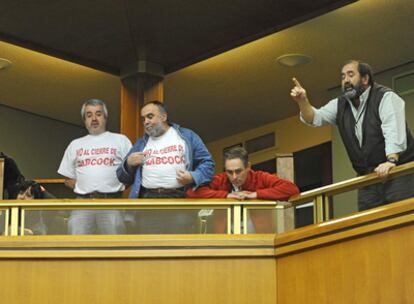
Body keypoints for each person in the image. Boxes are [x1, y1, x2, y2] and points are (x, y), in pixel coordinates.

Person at [290, 60, 414, 211]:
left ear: (365, 79)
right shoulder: (340, 105)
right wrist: (303, 101)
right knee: (369, 228)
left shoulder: (385, 97)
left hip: (399, 171)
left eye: (350, 75)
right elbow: (314, 118)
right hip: (368, 178)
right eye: (343, 77)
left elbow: (393, 129)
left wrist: (391, 161)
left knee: (404, 220)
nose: (346, 81)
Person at [117, 100, 214, 234]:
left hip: (178, 199)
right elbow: (121, 177)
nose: (145, 121)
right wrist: (128, 163)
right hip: (147, 201)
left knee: (177, 248)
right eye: (143, 118)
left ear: (164, 117)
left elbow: (208, 164)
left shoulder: (186, 136)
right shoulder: (141, 143)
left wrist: (192, 176)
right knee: (149, 249)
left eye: (150, 116)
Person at [58, 99, 132, 234]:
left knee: (114, 245)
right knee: (76, 242)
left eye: (98, 114)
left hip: (112, 202)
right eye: (89, 115)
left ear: (105, 117)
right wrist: (87, 188)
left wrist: (115, 187)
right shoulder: (75, 144)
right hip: (83, 203)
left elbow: (131, 173)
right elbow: (67, 179)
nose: (94, 119)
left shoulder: (121, 140)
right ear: (84, 120)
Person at [186, 147, 300, 233]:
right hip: (225, 241)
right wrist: (226, 196)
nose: (234, 177)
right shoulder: (221, 180)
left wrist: (256, 194)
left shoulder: (260, 177)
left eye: (238, 171)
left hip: (261, 241)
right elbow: (192, 192)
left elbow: (291, 189)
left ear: (248, 167)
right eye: (229, 172)